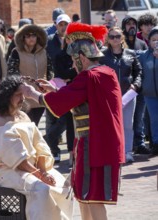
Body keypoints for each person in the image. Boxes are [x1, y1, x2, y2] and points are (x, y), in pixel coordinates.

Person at [22, 23, 124, 220]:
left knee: (93, 199)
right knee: (85, 198)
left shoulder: (89, 76)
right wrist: (54, 91)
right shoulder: (105, 73)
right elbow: (82, 100)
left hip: (93, 145)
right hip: (96, 143)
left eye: (73, 59)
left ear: (82, 57)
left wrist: (32, 94)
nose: (72, 64)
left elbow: (68, 99)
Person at [0, 75, 73, 220]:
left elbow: (39, 146)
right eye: (17, 95)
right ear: (7, 96)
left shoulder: (23, 116)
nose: (22, 99)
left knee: (63, 185)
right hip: (8, 169)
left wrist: (43, 171)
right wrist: (40, 176)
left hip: (33, 167)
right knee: (41, 188)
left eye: (23, 95)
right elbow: (15, 156)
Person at [100, 26, 143, 163]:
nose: (115, 39)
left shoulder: (131, 54)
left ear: (122, 37)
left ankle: (127, 152)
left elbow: (139, 72)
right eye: (112, 36)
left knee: (127, 124)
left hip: (127, 95)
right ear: (108, 38)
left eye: (117, 36)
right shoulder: (102, 55)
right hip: (109, 96)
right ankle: (113, 151)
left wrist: (135, 85)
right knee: (110, 125)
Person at [7, 24, 51, 125]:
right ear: (23, 38)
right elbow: (12, 74)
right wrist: (21, 88)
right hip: (23, 98)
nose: (31, 38)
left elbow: (50, 71)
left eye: (33, 35)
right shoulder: (16, 52)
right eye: (28, 36)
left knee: (34, 125)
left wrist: (48, 86)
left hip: (40, 96)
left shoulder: (44, 52)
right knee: (25, 126)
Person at [121, 16, 150, 155]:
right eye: (128, 24)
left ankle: (139, 143)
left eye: (133, 24)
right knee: (126, 120)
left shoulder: (141, 43)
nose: (131, 26)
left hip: (140, 87)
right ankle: (127, 145)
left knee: (139, 118)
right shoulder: (120, 43)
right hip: (125, 89)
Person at [46, 13, 71, 162]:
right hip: (52, 83)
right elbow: (46, 61)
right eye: (61, 24)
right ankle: (54, 151)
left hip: (69, 84)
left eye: (66, 24)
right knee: (52, 118)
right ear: (56, 25)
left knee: (66, 118)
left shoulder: (73, 41)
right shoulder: (49, 41)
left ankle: (49, 139)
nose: (63, 27)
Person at [138, 26, 158, 156]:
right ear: (149, 42)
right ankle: (156, 144)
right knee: (154, 120)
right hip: (150, 95)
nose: (156, 42)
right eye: (153, 40)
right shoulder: (144, 56)